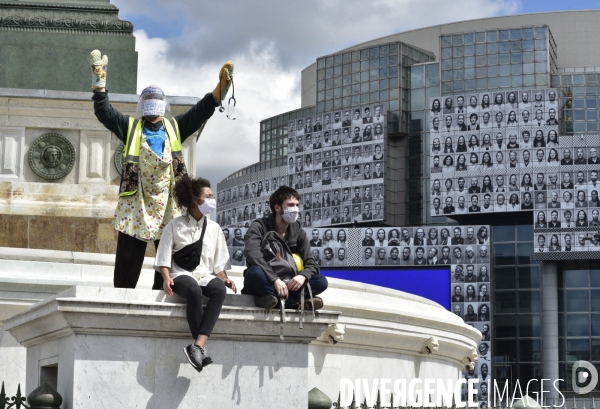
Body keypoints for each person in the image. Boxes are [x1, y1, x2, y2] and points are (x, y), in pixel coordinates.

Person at [91, 49, 233, 290]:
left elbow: (200, 112)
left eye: (155, 100)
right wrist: (99, 85)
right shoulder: (130, 126)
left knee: (169, 254)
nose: (152, 105)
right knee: (128, 256)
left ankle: (166, 294)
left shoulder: (175, 126)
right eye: (148, 100)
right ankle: (123, 296)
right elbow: (105, 113)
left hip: (169, 201)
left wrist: (218, 92)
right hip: (137, 201)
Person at [155, 176, 236, 372]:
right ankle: (199, 346)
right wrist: (166, 279)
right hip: (180, 274)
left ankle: (198, 346)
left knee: (218, 290)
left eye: (212, 196)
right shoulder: (174, 225)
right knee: (192, 290)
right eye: (208, 196)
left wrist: (225, 279)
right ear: (194, 200)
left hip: (205, 275)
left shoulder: (215, 229)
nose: (212, 200)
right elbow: (163, 258)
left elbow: (219, 265)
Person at [242, 186, 328, 311]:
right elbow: (252, 254)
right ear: (277, 208)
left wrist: (303, 276)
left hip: (289, 281)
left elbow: (312, 264)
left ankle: (270, 299)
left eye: (297, 205)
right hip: (266, 279)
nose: (295, 209)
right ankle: (296, 302)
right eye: (290, 205)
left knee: (321, 281)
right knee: (254, 273)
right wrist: (274, 279)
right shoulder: (259, 226)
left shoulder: (299, 232)